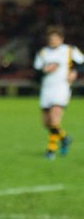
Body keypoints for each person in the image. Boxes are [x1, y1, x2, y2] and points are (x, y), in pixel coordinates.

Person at [33, 26, 83, 159]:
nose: (53, 41)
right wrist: (45, 70)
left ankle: (51, 150)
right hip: (46, 89)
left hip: (62, 87)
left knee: (55, 119)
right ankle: (65, 137)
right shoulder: (43, 52)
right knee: (46, 122)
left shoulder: (69, 50)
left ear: (61, 39)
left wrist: (75, 72)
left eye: (55, 38)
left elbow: (81, 63)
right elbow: (36, 72)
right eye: (51, 38)